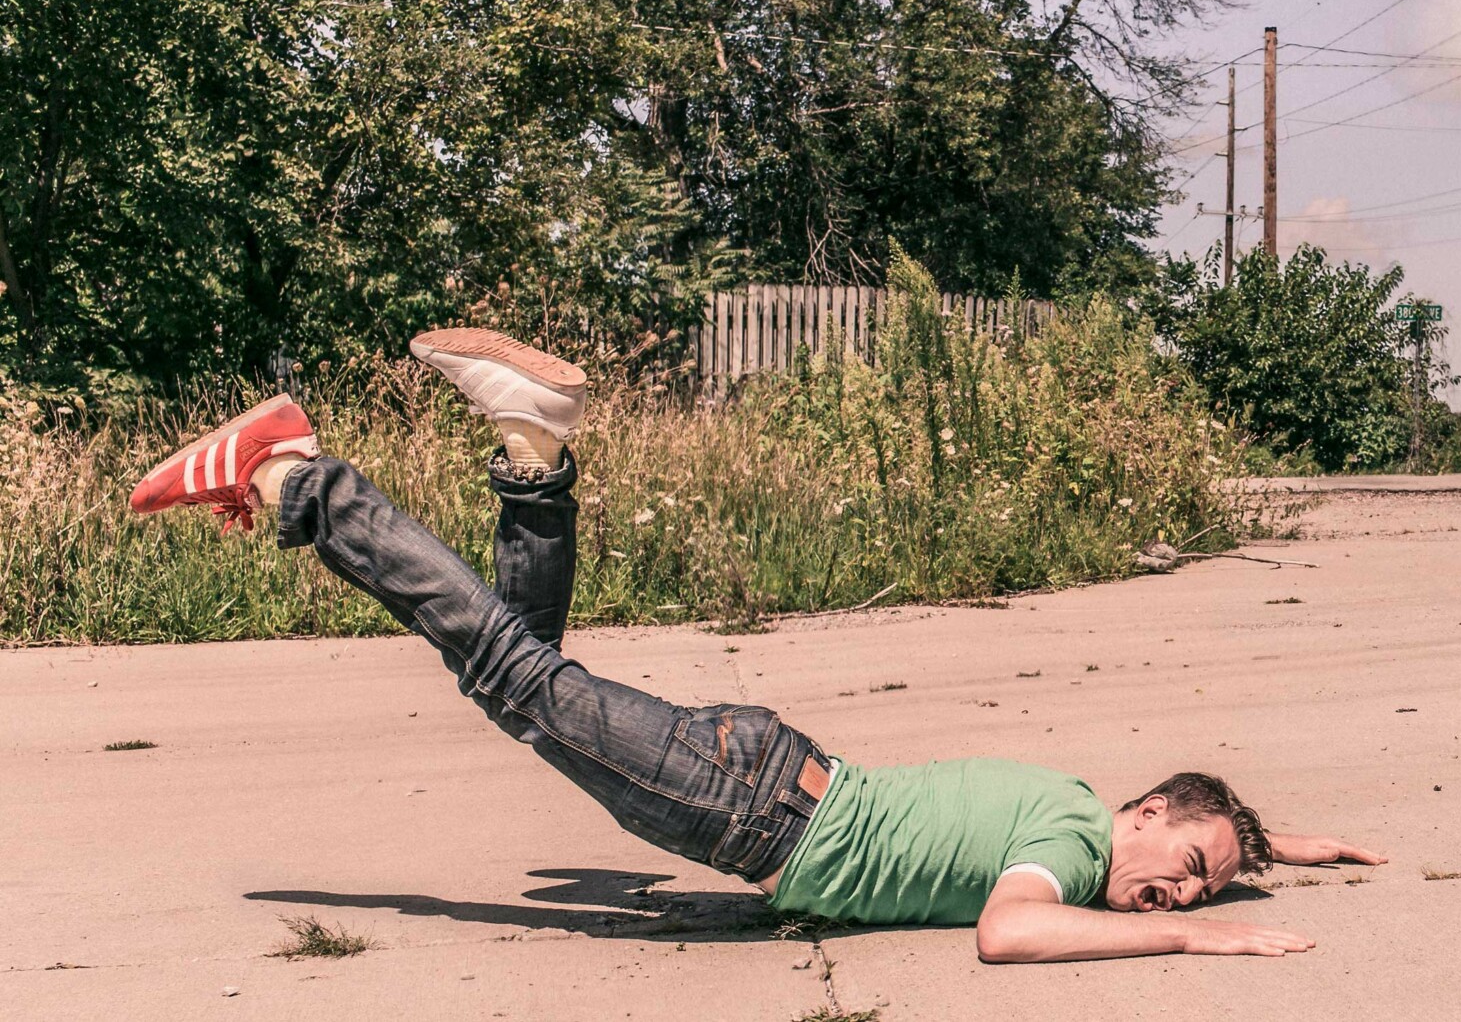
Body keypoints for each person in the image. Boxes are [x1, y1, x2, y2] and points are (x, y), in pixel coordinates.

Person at [128, 329, 1384, 963]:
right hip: (751, 813)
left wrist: (1281, 849)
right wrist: (1193, 937)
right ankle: (302, 479)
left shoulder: (1074, 804)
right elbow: (1009, 937)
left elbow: (1205, 841)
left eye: (1197, 887)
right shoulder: (1064, 847)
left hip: (762, 777)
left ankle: (533, 452)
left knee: (519, 671)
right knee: (512, 676)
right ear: (1145, 806)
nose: (1177, 888)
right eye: (1189, 860)